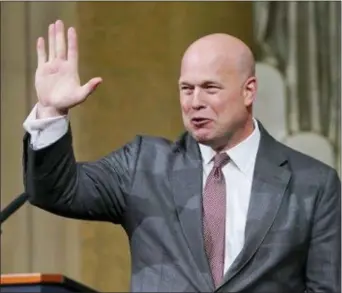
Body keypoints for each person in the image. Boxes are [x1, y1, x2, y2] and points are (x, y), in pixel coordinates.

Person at [23, 20, 341, 293]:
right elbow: (57, 191)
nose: (194, 102)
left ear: (249, 91)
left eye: (210, 88)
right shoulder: (143, 165)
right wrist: (52, 110)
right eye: (186, 89)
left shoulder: (313, 184)